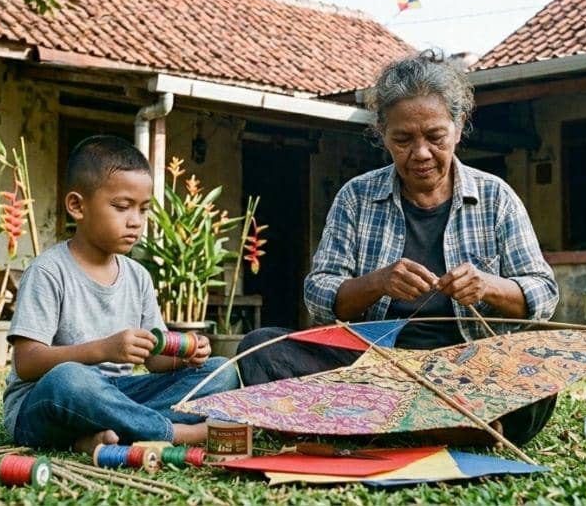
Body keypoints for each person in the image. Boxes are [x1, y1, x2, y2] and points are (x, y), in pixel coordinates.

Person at [237, 50, 559, 446]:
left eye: (435, 137)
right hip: (372, 371)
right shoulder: (356, 197)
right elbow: (318, 295)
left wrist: (488, 286)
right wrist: (377, 283)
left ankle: (378, 425)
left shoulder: (496, 198)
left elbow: (543, 295)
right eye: (403, 139)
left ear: (458, 128)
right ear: (383, 135)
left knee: (541, 370)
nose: (420, 153)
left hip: (467, 373)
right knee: (259, 349)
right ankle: (438, 427)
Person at [2, 136, 239, 452]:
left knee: (220, 374)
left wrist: (185, 355)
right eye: (122, 207)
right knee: (70, 379)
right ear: (77, 206)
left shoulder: (138, 276)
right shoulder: (48, 271)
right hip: (45, 402)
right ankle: (174, 433)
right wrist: (104, 349)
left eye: (144, 210)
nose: (136, 222)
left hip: (116, 396)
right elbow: (27, 362)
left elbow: (155, 360)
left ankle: (101, 436)